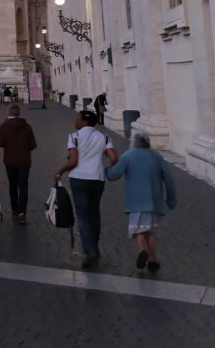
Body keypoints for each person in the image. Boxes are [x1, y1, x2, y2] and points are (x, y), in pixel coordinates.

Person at [55, 111, 118, 269]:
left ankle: (89, 250)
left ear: (84, 121)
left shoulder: (74, 137)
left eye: (78, 118)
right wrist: (107, 168)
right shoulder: (104, 137)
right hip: (97, 178)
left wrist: (60, 171)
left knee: (82, 215)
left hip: (79, 177)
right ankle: (94, 247)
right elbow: (114, 158)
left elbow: (73, 160)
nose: (75, 120)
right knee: (94, 212)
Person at [106, 133, 177, 272]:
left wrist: (107, 169)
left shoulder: (128, 156)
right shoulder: (157, 157)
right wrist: (171, 200)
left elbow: (114, 174)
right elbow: (169, 180)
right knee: (150, 231)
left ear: (134, 142)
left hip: (135, 200)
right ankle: (152, 259)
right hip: (154, 200)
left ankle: (141, 250)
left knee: (139, 230)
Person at [0, 103, 37, 224]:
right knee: (23, 186)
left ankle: (14, 209)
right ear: (19, 113)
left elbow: (0, 143)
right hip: (24, 160)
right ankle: (22, 213)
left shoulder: (3, 126)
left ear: (8, 113)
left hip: (10, 161)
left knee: (13, 185)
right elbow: (33, 144)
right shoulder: (27, 126)